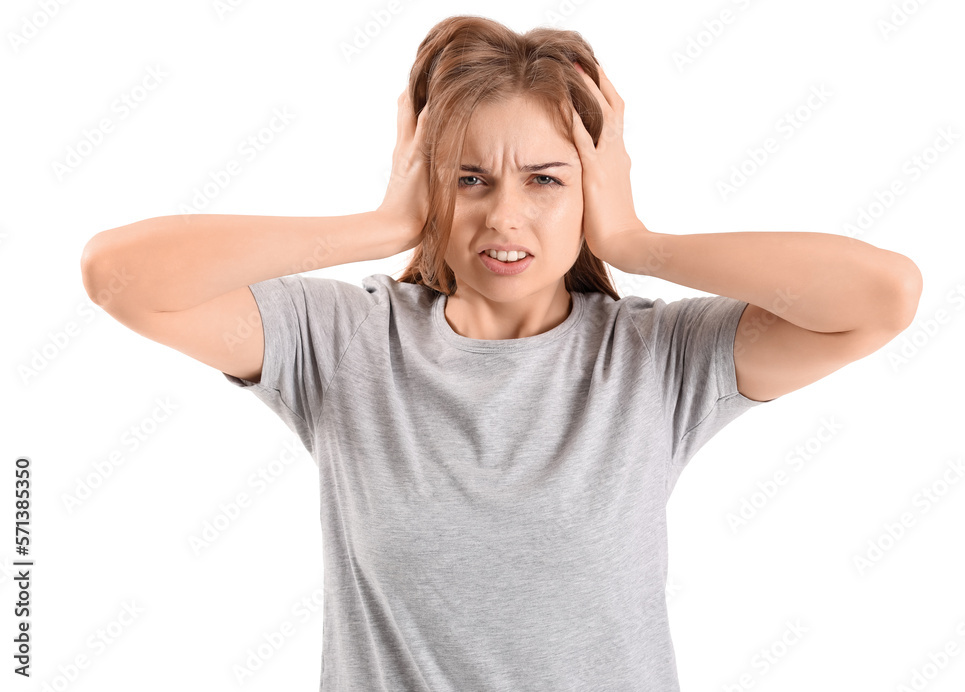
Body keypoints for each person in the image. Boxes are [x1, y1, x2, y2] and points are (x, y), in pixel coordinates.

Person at [80, 15, 922, 692]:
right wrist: (381, 226)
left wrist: (636, 239)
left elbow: (883, 298)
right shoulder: (341, 344)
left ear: (592, 188)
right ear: (428, 182)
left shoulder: (658, 359)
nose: (504, 216)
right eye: (470, 178)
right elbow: (119, 275)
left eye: (546, 179)